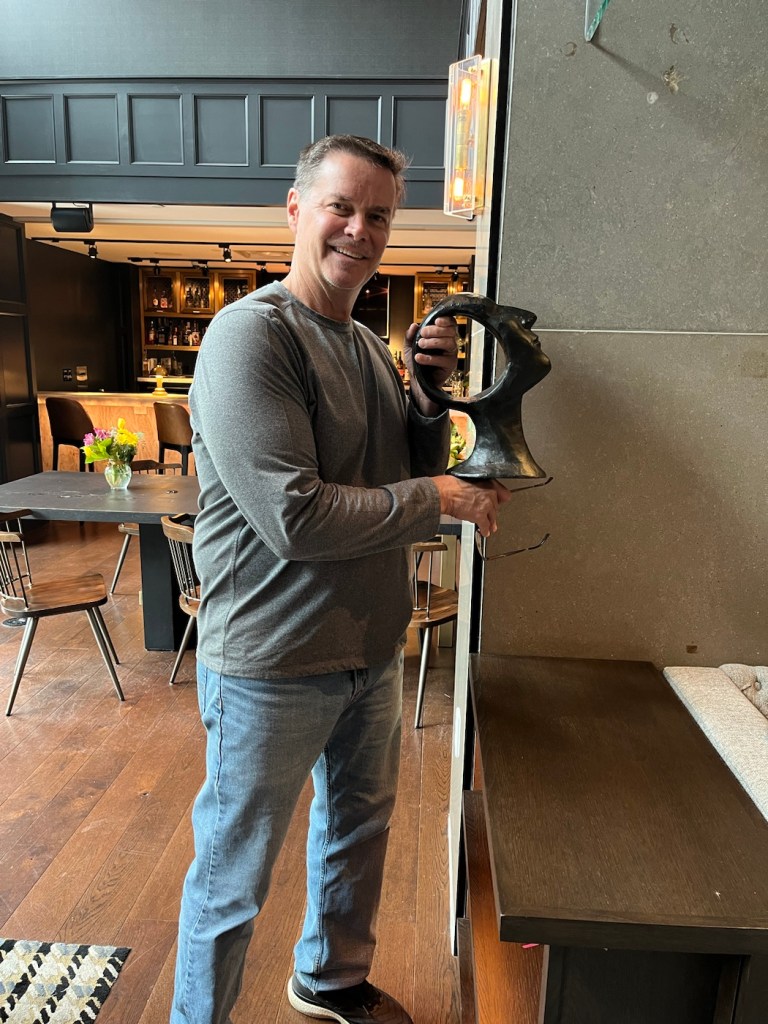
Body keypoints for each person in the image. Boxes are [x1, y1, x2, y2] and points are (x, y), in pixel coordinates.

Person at [171, 134, 511, 1024]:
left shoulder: (362, 344)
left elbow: (396, 472)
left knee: (356, 835)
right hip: (271, 660)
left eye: (379, 215)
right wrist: (440, 496)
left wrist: (428, 400)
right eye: (341, 207)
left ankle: (329, 978)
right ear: (296, 209)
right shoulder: (251, 337)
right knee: (233, 875)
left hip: (370, 644)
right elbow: (298, 518)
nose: (360, 229)